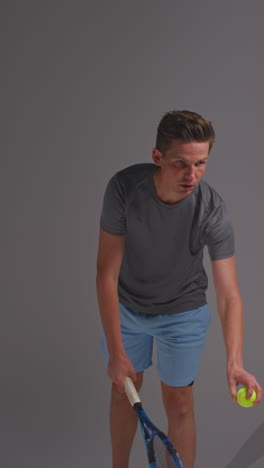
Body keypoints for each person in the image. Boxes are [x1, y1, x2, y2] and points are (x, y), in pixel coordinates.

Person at [96, 110, 263, 468]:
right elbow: (106, 274)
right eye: (181, 163)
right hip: (127, 307)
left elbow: (229, 294)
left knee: (181, 403)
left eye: (201, 163)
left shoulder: (213, 210)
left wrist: (235, 363)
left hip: (182, 311)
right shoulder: (123, 189)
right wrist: (115, 350)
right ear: (157, 157)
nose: (192, 175)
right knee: (121, 392)